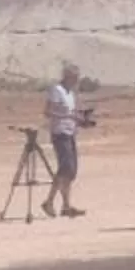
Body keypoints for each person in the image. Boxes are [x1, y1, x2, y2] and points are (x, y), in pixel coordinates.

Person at [41, 64, 90, 218]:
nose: (76, 80)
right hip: (60, 132)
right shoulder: (57, 90)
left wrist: (81, 120)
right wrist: (68, 117)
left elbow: (71, 111)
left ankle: (66, 205)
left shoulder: (70, 93)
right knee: (65, 168)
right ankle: (49, 201)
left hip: (70, 132)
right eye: (74, 77)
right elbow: (49, 111)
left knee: (70, 171)